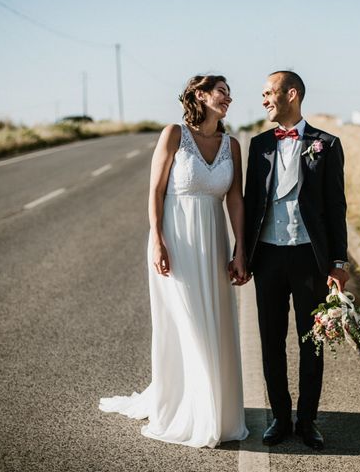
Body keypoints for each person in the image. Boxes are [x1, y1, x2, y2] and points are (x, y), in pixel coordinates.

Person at [99, 75, 249, 448]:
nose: (228, 98)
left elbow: (235, 200)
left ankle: (216, 409)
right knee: (188, 324)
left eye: (229, 93)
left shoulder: (232, 145)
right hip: (177, 242)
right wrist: (157, 241)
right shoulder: (173, 135)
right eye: (221, 92)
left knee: (214, 322)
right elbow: (156, 189)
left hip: (213, 243)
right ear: (200, 95)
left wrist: (240, 248)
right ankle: (192, 410)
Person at [242, 71, 350, 450]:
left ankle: (308, 420)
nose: (264, 100)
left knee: (312, 343)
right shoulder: (258, 146)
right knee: (271, 341)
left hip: (310, 259)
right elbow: (249, 205)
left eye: (269, 93)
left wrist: (340, 262)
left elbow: (336, 208)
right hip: (268, 257)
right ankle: (280, 418)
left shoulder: (327, 144)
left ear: (292, 94)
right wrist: (242, 254)